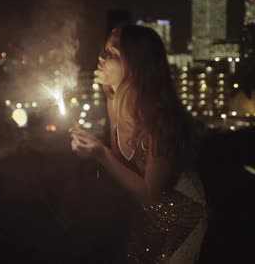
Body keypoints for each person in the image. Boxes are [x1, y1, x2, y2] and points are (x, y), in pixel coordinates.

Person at [69, 25, 207, 263]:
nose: (101, 57)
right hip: (150, 214)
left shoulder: (159, 120)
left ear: (135, 68)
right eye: (105, 50)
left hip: (184, 215)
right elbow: (123, 162)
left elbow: (151, 193)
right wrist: (92, 147)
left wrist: (100, 154)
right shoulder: (114, 101)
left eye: (113, 54)